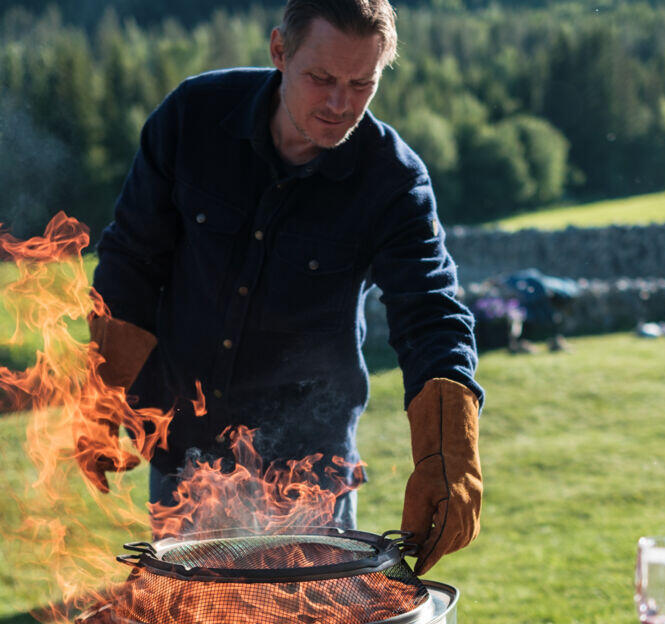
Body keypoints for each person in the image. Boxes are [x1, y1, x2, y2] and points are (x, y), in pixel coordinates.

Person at [80, 0, 483, 574]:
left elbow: (432, 316)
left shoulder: (393, 181)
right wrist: (103, 390)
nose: (340, 103)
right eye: (321, 78)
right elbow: (130, 262)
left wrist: (451, 453)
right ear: (279, 52)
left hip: (308, 486)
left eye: (361, 83)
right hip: (182, 465)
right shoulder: (192, 119)